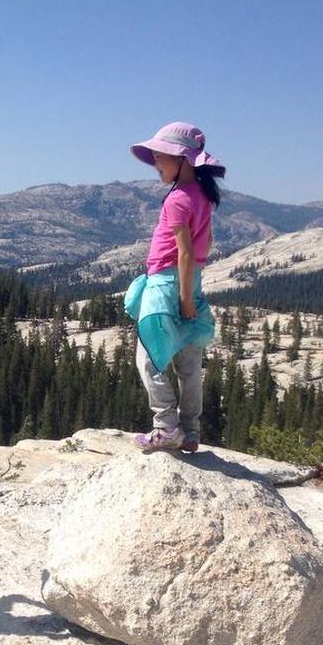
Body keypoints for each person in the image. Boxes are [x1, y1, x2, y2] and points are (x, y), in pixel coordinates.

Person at [125, 122, 225, 453]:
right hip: (190, 281)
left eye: (160, 157)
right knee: (188, 360)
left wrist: (182, 297)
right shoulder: (203, 196)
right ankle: (191, 431)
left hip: (168, 286)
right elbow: (204, 243)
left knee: (149, 358)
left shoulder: (177, 200)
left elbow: (182, 250)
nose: (156, 164)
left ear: (181, 159)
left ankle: (166, 427)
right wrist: (191, 290)